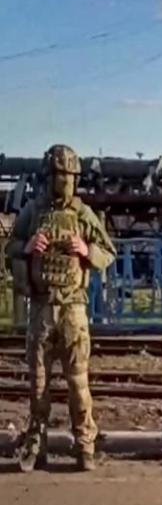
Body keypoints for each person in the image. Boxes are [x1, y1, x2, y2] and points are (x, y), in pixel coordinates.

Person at [5, 145, 116, 472]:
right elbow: (10, 246)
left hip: (73, 311)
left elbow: (108, 252)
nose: (63, 182)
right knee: (37, 385)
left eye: (68, 176)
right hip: (41, 308)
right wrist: (26, 247)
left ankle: (85, 447)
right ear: (47, 177)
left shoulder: (82, 214)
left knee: (78, 384)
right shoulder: (32, 210)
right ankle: (37, 446)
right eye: (58, 176)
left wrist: (87, 250)